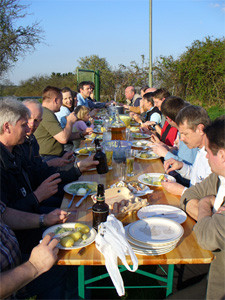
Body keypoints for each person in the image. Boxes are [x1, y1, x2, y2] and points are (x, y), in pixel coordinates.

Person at [173, 116, 225, 300]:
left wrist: (203, 203)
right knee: (171, 271)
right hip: (213, 263)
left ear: (222, 156)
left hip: (219, 282)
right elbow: (187, 197)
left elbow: (206, 238)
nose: (205, 156)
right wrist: (208, 213)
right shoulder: (218, 177)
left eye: (208, 151)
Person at [0, 200, 68, 299]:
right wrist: (34, 266)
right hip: (8, 283)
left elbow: (3, 213)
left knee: (57, 272)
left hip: (15, 262)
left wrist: (44, 219)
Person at [162, 105, 212, 196]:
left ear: (200, 129)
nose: (182, 139)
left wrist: (182, 191)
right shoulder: (200, 148)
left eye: (185, 134)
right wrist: (181, 166)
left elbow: (208, 199)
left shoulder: (214, 156)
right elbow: (197, 176)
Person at [34, 86, 83, 161]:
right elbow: (63, 139)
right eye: (61, 100)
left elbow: (62, 134)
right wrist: (69, 122)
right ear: (56, 100)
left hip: (56, 155)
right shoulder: (46, 114)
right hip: (48, 158)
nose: (61, 103)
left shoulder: (46, 112)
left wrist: (82, 134)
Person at [152, 96, 197, 165]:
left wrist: (166, 154)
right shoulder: (181, 131)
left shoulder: (189, 134)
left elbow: (187, 165)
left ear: (168, 119)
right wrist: (166, 148)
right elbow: (181, 155)